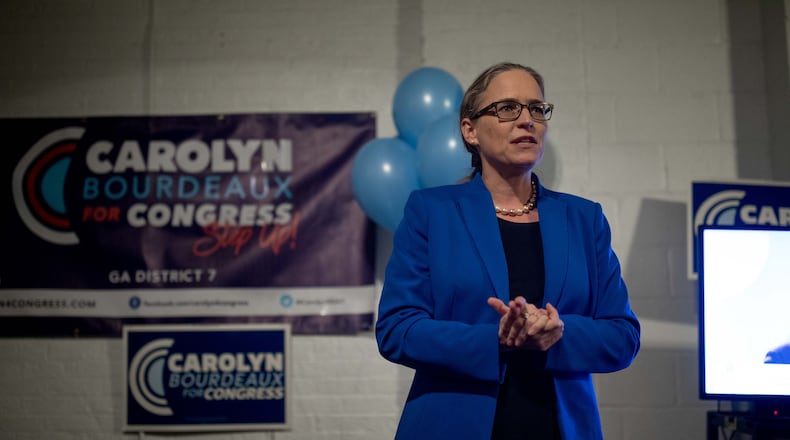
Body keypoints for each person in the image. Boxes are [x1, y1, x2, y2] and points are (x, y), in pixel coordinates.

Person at [375, 62, 641, 440]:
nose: (526, 120)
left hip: (558, 427)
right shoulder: (431, 212)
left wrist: (559, 332)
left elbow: (622, 336)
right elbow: (397, 329)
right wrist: (494, 340)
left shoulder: (584, 218)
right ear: (470, 131)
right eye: (507, 109)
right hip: (451, 425)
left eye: (537, 109)